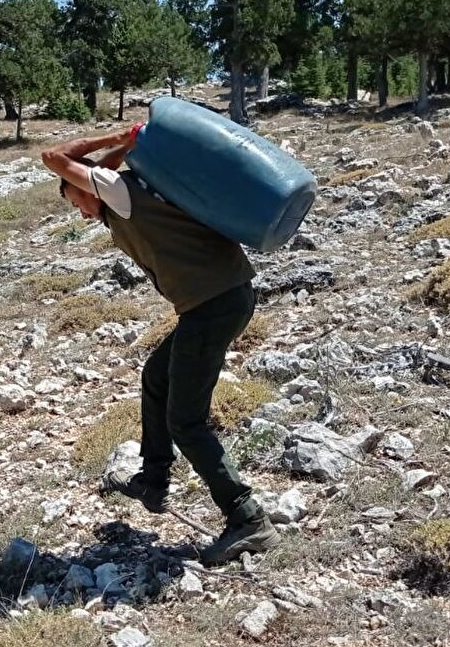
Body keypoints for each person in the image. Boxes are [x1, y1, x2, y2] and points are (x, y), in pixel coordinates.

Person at [41, 124, 279, 565]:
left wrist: (111, 137)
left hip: (215, 303)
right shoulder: (120, 192)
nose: (81, 215)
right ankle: (153, 478)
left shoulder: (119, 192)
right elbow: (102, 170)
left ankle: (246, 517)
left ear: (88, 192)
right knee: (156, 376)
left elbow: (53, 156)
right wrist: (123, 147)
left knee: (186, 421)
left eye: (77, 203)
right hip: (216, 300)